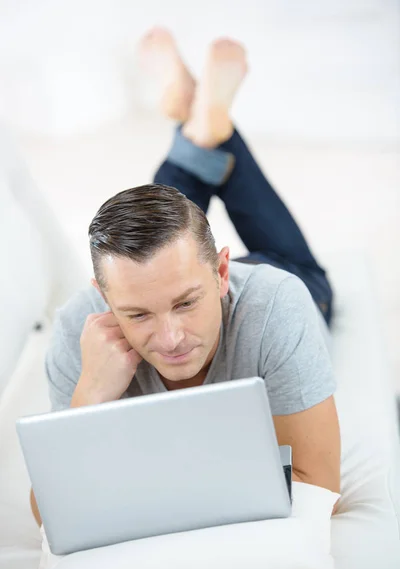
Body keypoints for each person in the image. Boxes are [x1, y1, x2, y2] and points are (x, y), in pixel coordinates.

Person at [31, 29, 340, 527]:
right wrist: (87, 397)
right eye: (137, 313)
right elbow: (48, 514)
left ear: (222, 271)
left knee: (296, 267)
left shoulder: (281, 302)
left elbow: (320, 487)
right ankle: (201, 126)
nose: (171, 338)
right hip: (182, 266)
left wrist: (139, 494)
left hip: (287, 275)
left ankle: (197, 126)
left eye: (186, 303)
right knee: (159, 233)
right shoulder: (78, 329)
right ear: (103, 301)